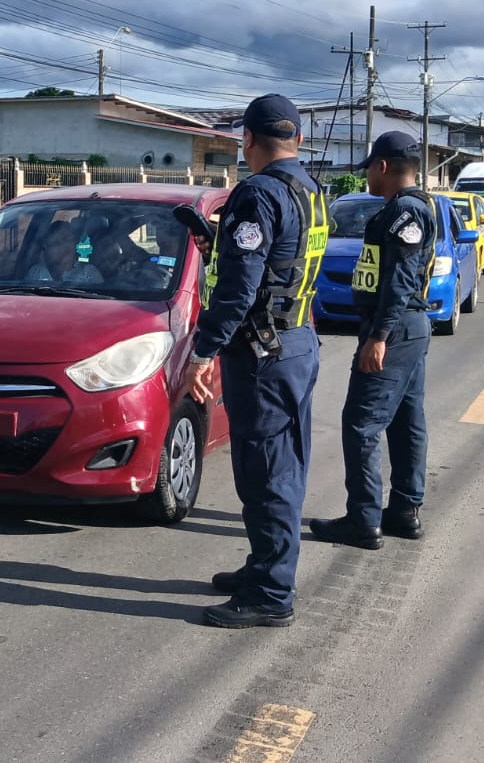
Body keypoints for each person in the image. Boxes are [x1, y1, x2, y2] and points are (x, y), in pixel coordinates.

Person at [185, 93, 328, 629]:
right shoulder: (311, 190)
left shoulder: (257, 195)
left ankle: (271, 592)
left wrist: (204, 350)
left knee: (267, 470)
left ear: (247, 140)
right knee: (280, 463)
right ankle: (265, 567)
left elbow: (240, 287)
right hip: (295, 341)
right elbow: (277, 264)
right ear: (297, 140)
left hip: (264, 353)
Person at [310, 131, 438, 551]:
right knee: (404, 422)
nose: (366, 174)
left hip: (396, 328)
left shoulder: (405, 211)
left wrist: (378, 336)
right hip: (408, 327)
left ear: (382, 166)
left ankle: (363, 520)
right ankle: (403, 511)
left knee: (361, 424)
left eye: (368, 166)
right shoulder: (409, 207)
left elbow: (400, 279)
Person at [25, 220, 105, 285]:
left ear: (75, 242)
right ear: (46, 249)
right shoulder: (35, 273)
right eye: (56, 243)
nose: (64, 245)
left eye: (68, 239)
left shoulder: (89, 273)